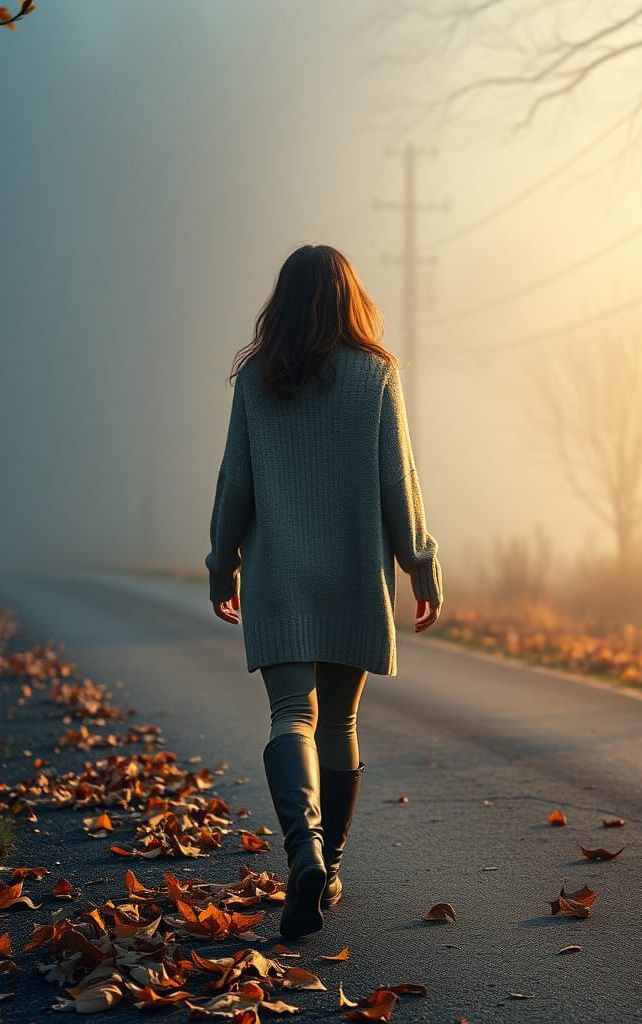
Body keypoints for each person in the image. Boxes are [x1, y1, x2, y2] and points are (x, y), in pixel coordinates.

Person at [205, 243, 444, 939]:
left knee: (290, 716)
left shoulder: (256, 381)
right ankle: (329, 867)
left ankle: (302, 852)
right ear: (351, 300)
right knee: (338, 723)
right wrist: (421, 565)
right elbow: (399, 481)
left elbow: (236, 486)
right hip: (352, 574)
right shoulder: (377, 376)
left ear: (282, 303)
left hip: (278, 574)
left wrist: (224, 566)